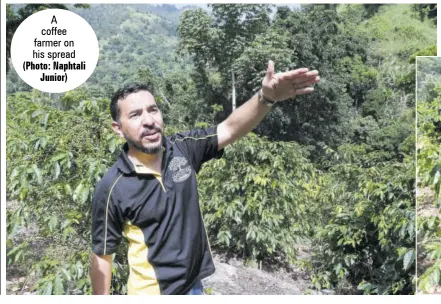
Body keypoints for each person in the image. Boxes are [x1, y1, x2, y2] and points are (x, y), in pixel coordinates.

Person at [90, 60, 320, 295]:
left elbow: (229, 129)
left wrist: (266, 97)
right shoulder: (112, 186)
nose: (149, 121)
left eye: (153, 109)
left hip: (194, 287)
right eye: (136, 115)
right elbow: (102, 255)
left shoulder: (183, 148)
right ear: (118, 128)